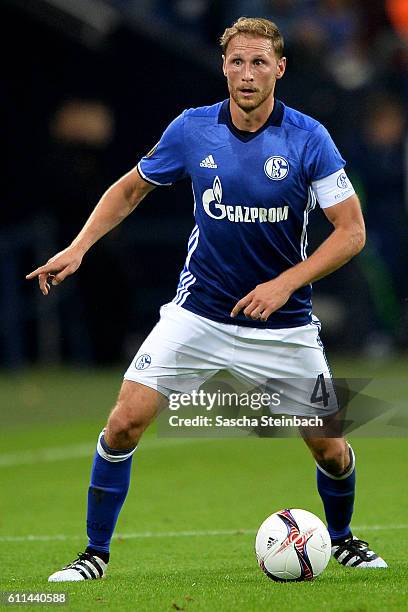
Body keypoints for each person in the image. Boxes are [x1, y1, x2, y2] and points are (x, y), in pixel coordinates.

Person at [27, 17, 387, 581]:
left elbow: (351, 232)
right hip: (199, 315)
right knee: (123, 423)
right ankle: (94, 554)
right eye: (237, 62)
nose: (247, 74)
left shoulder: (308, 137)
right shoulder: (192, 130)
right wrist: (79, 248)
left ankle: (342, 538)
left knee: (330, 450)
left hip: (285, 324)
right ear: (224, 66)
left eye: (260, 62)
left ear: (280, 68)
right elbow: (130, 188)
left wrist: (284, 283)